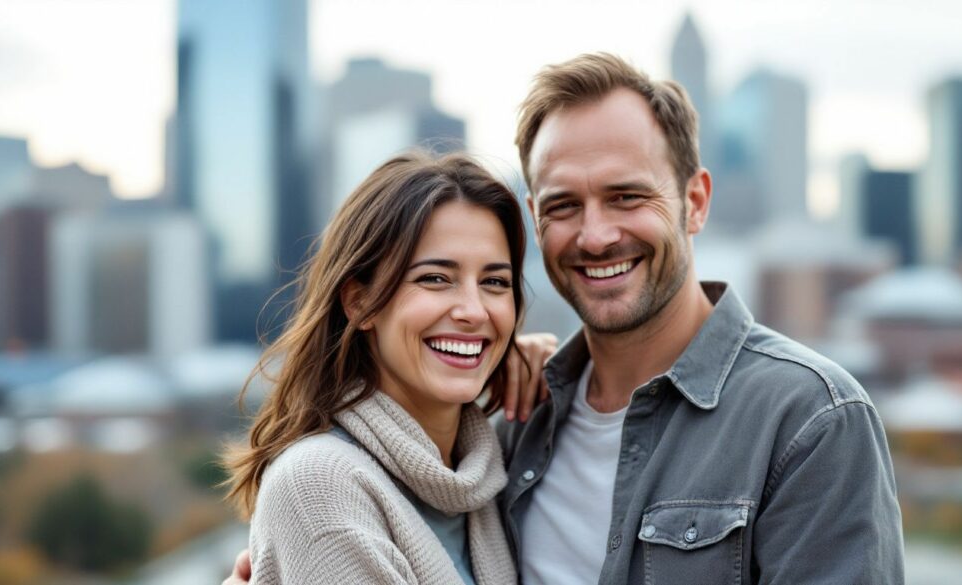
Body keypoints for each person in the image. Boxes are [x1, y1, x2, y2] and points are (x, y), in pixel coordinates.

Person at [227, 52, 904, 584]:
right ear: (535, 219)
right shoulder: (517, 426)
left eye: (626, 195)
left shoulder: (810, 420)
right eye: (563, 206)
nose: (596, 234)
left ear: (694, 201)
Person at [222, 151, 538, 584]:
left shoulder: (478, 478)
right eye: (435, 278)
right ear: (360, 303)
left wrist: (554, 370)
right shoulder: (319, 485)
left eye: (495, 282)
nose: (474, 310)